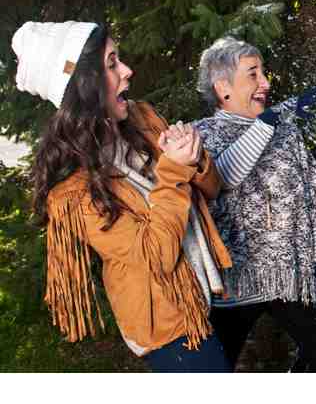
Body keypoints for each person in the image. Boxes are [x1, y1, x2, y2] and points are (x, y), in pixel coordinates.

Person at [13, 21, 233, 372]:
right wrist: (175, 170)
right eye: (112, 63)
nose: (127, 70)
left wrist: (194, 158)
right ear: (84, 86)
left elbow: (211, 190)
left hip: (210, 289)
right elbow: (156, 257)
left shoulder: (142, 117)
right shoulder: (72, 192)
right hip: (172, 327)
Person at [192, 36, 316, 372]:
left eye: (263, 73)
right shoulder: (199, 136)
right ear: (223, 88)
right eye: (253, 74)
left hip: (288, 281)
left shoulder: (286, 132)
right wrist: (269, 120)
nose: (265, 83)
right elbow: (223, 177)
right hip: (232, 288)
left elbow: (314, 203)